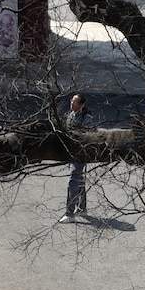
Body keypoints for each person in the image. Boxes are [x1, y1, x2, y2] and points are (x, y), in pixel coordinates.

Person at [58, 94, 89, 223]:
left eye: (75, 102)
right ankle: (82, 207)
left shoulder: (86, 118)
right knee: (79, 180)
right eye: (71, 101)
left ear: (81, 105)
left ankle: (69, 213)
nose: (71, 104)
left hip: (80, 153)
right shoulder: (71, 115)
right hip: (72, 153)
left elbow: (89, 135)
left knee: (73, 181)